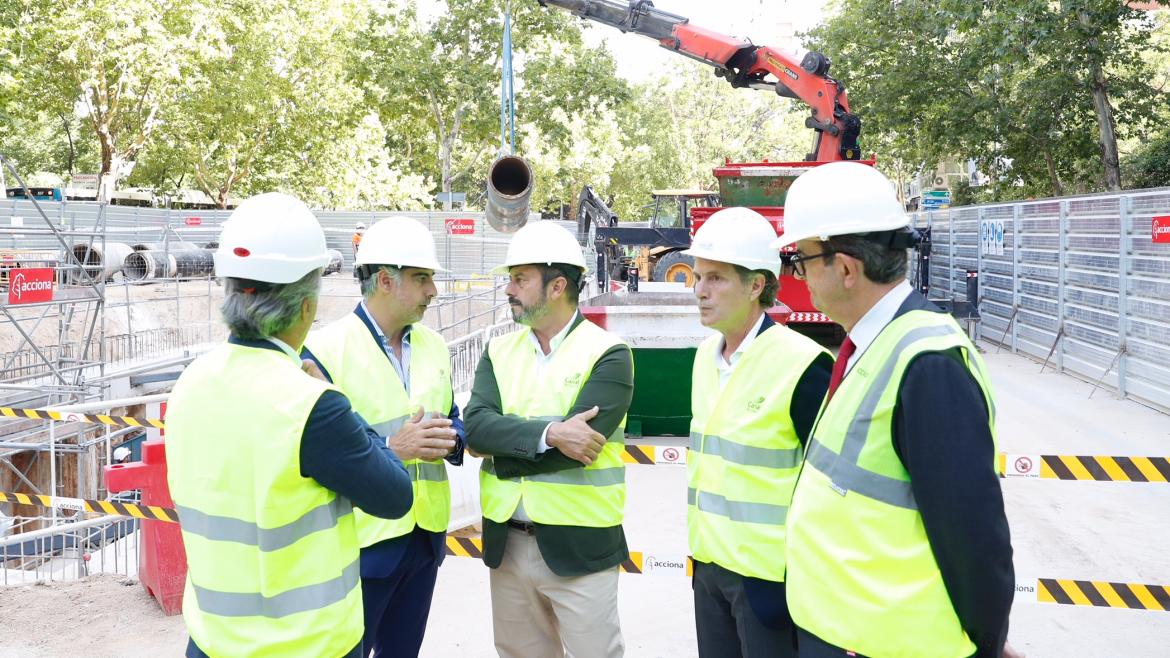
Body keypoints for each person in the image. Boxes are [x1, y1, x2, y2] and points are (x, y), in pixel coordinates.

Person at [773, 162, 1016, 658]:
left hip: (889, 643)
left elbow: (972, 531)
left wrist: (987, 640)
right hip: (844, 630)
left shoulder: (927, 364)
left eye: (802, 261)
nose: (799, 277)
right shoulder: (876, 343)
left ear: (844, 267)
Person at [165, 192, 414, 658]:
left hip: (211, 641)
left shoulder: (189, 384)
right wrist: (334, 396)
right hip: (306, 645)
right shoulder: (311, 405)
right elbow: (395, 496)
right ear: (304, 308)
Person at [464, 221, 634, 658]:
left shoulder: (609, 353)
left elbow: (583, 450)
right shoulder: (498, 350)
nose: (508, 290)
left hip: (581, 549)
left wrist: (501, 452)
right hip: (508, 545)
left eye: (520, 280)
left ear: (557, 285)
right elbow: (477, 428)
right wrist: (551, 434)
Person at [302, 217, 463, 658]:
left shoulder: (434, 346)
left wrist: (453, 439)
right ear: (387, 281)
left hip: (425, 539)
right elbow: (319, 452)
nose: (433, 290)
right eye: (423, 278)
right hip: (361, 545)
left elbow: (452, 417)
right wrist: (395, 448)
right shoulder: (324, 352)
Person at [682, 208, 832, 658]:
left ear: (756, 285)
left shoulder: (804, 364)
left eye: (716, 279)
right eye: (698, 277)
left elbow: (829, 487)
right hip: (708, 570)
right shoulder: (705, 358)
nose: (700, 292)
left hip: (770, 582)